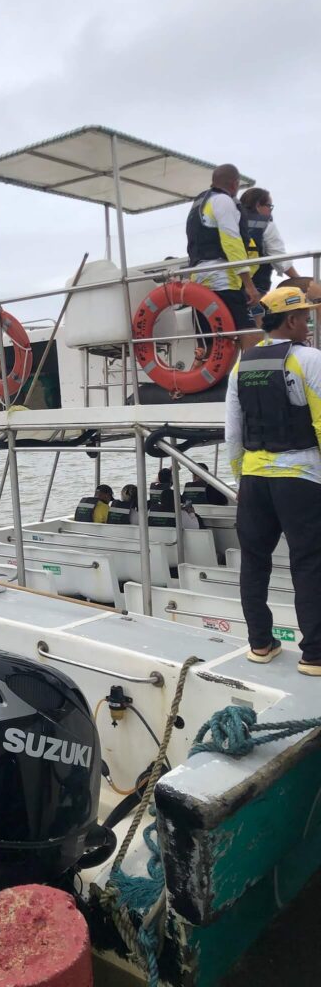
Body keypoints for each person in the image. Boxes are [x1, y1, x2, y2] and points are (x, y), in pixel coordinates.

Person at [225, 286, 321, 673]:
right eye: (306, 316)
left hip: (253, 480)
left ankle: (260, 645)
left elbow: (233, 431)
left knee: (254, 562)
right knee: (309, 564)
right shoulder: (310, 359)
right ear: (293, 319)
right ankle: (314, 654)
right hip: (299, 477)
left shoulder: (241, 364)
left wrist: (240, 478)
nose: (309, 322)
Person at [186, 163, 262, 349]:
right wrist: (249, 285)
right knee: (248, 332)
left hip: (199, 282)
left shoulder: (199, 205)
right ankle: (256, 375)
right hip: (223, 282)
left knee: (210, 342)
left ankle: (217, 378)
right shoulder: (223, 201)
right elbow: (232, 242)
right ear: (235, 184)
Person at [240, 187, 301, 296]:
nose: (270, 210)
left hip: (227, 287)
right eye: (269, 206)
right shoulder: (267, 225)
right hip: (255, 290)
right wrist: (301, 281)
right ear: (258, 205)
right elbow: (281, 262)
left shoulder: (230, 221)